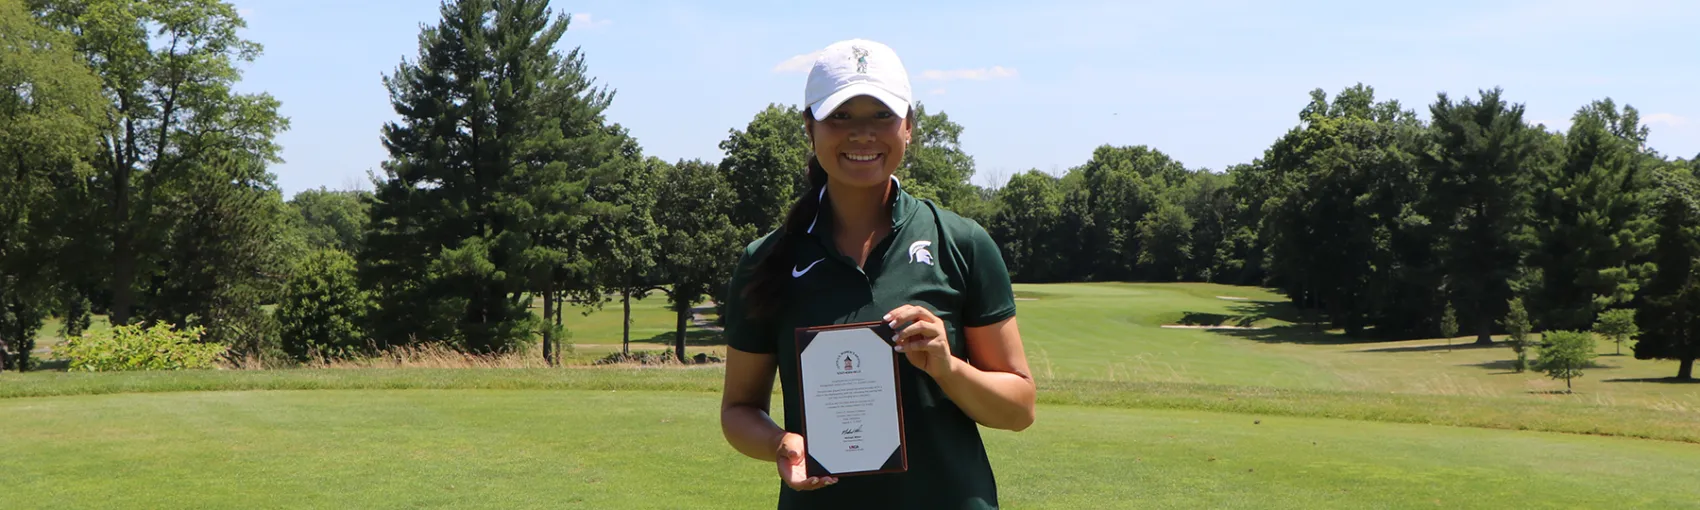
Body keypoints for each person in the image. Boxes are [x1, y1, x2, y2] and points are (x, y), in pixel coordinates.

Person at [719, 39, 1037, 510]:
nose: (862, 134)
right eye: (841, 117)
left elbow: (1018, 409)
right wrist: (779, 445)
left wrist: (947, 368)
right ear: (810, 128)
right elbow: (739, 410)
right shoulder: (768, 259)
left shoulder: (962, 243)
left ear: (909, 126)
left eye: (881, 116)